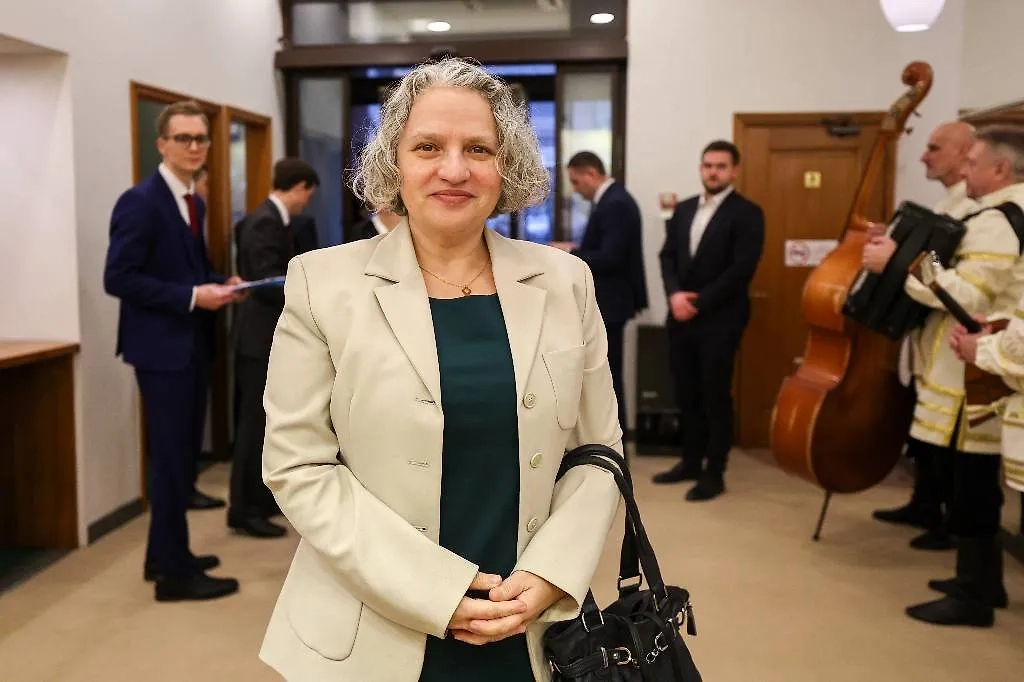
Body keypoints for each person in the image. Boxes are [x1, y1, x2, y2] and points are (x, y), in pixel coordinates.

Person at [257, 57, 622, 681]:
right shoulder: (322, 283)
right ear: (393, 163)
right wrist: (434, 591)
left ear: (505, 166)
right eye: (428, 147)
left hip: (529, 622)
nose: (454, 170)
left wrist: (553, 573)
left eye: (478, 148)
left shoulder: (566, 282)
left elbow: (599, 450)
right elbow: (299, 465)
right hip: (373, 623)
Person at [103, 100, 244, 601]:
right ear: (161, 144)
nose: (194, 147)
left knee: (181, 461)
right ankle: (174, 577)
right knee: (170, 464)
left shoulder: (192, 201)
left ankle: (163, 556)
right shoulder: (141, 201)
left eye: (201, 138)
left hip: (190, 346)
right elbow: (118, 277)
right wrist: (191, 297)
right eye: (183, 138)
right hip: (160, 351)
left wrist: (220, 284)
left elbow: (189, 271)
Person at [902, 125, 1024, 627]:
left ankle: (976, 592)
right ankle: (980, 579)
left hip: (987, 367)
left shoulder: (998, 219)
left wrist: (912, 263)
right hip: (995, 362)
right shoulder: (998, 212)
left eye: (973, 162)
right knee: (974, 478)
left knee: (973, 479)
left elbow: (968, 296)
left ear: (1001, 169)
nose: (965, 171)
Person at [865, 121, 978, 551]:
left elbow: (952, 278)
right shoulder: (949, 203)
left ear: (966, 153)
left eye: (934, 147)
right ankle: (926, 502)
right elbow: (930, 259)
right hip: (930, 330)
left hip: (959, 335)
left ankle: (951, 521)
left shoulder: (982, 212)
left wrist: (897, 259)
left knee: (951, 434)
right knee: (927, 423)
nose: (923, 155)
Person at [653, 140, 765, 501]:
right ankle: (690, 461)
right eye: (707, 165)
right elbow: (667, 256)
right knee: (686, 393)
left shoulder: (748, 213)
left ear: (734, 171)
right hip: (680, 317)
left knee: (714, 395)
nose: (713, 172)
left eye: (720, 166)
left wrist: (697, 303)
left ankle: (714, 472)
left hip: (720, 319)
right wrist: (674, 295)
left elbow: (740, 271)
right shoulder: (684, 209)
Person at [228, 158, 320, 538]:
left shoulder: (273, 219)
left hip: (265, 334)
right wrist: (310, 286)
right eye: (308, 195)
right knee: (253, 426)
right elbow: (267, 281)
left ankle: (262, 500)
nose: (307, 203)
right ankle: (244, 509)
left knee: (267, 424)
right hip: (258, 336)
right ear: (298, 188)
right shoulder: (265, 221)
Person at [550, 152, 647, 434]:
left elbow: (611, 257)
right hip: (613, 302)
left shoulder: (616, 203)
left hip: (612, 303)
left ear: (591, 174)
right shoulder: (613, 200)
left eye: (576, 181)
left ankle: (614, 444)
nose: (576, 190)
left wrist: (571, 254)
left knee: (609, 378)